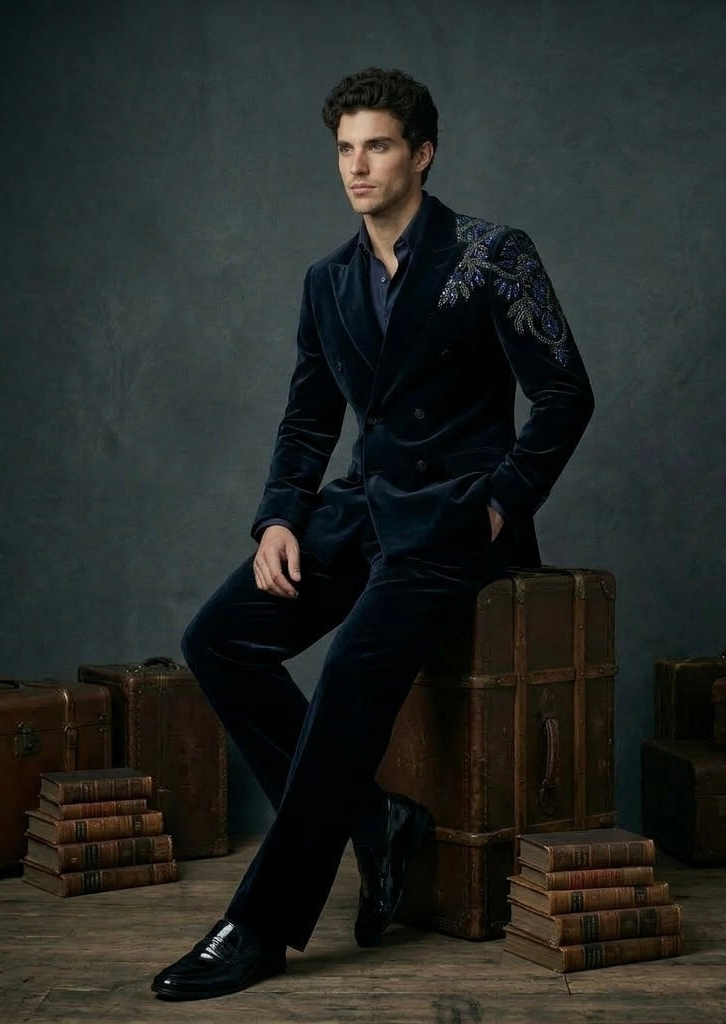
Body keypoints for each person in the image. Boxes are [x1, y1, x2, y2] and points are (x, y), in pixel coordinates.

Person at [151, 67, 594, 1001]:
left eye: (378, 146)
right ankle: (373, 820)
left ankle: (261, 928)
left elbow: (564, 393)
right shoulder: (328, 281)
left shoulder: (492, 254)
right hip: (363, 508)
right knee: (217, 639)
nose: (357, 165)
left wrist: (502, 499)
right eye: (345, 149)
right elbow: (309, 420)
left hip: (456, 522)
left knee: (351, 672)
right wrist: (277, 515)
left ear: (421, 154)